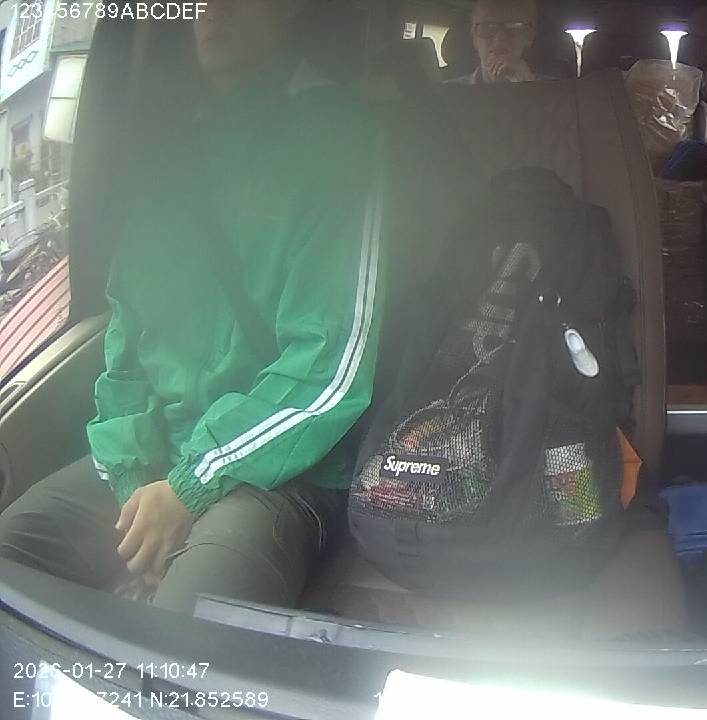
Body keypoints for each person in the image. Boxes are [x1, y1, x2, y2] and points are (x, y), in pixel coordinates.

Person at [0, 0, 383, 614]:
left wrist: (189, 486)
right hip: (159, 450)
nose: (212, 10)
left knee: (181, 637)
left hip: (279, 464)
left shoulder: (340, 138)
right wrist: (134, 478)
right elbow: (125, 340)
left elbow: (330, 367)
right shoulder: (165, 148)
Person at [448, 0, 550, 85]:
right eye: (486, 27)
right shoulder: (448, 92)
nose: (499, 38)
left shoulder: (555, 88)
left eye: (513, 27)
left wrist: (530, 87)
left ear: (529, 36)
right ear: (474, 38)